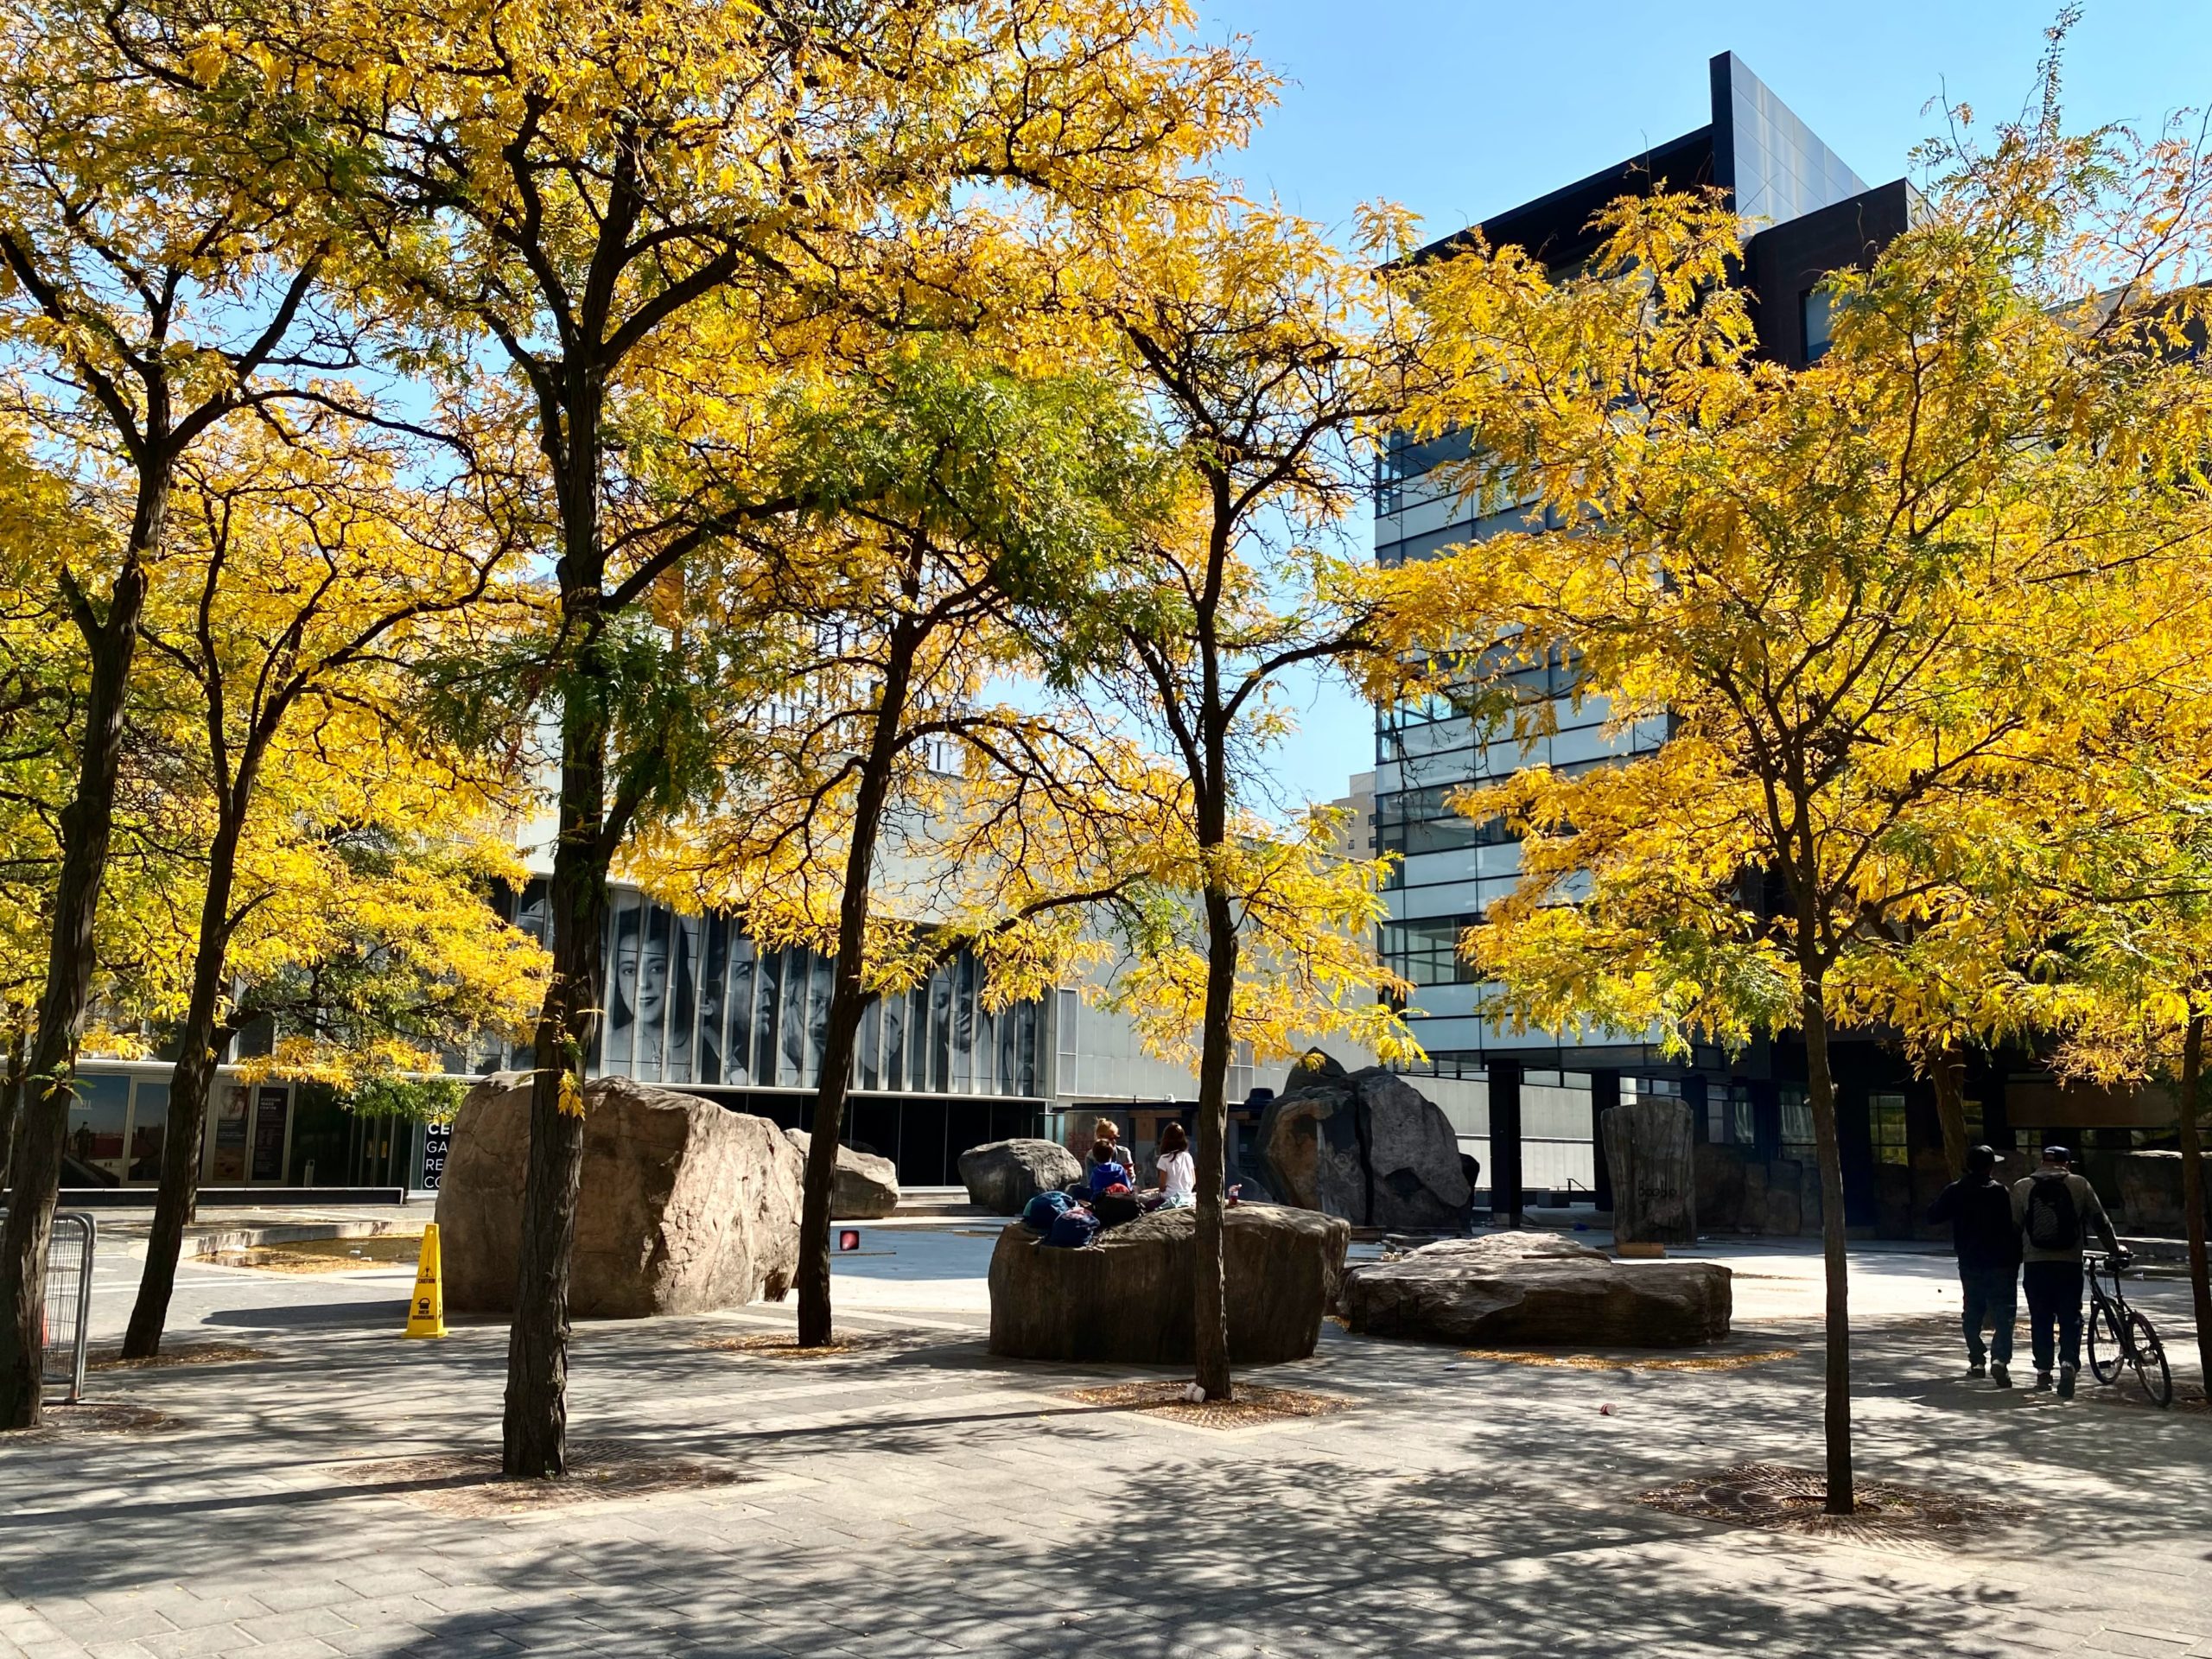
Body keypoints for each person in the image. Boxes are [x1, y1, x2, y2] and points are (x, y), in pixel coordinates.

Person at [2012, 1144, 2120, 1398]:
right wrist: (2115, 1250)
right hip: (2069, 1263)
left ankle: (2043, 1372)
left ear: (2042, 1162)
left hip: (2035, 1263)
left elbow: (2013, 1227)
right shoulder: (2079, 1184)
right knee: (2070, 1316)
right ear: (2067, 1164)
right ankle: (2068, 1362)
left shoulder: (2022, 1186)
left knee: (2041, 1317)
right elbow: (2100, 1221)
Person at [1925, 1145, 2020, 1385]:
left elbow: (1933, 1216)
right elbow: (2014, 1224)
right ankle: (2000, 1359)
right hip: (2001, 1261)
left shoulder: (1956, 1190)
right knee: (2004, 1312)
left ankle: (1977, 1360)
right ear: (1990, 1167)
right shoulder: (2000, 1192)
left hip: (1970, 1259)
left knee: (1973, 1310)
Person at [1154, 1122, 1196, 1210]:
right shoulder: (1188, 1156)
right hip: (1187, 1195)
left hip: (1168, 1196)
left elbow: (1162, 1186)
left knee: (1144, 1197)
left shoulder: (1164, 1158)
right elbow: (1193, 1181)